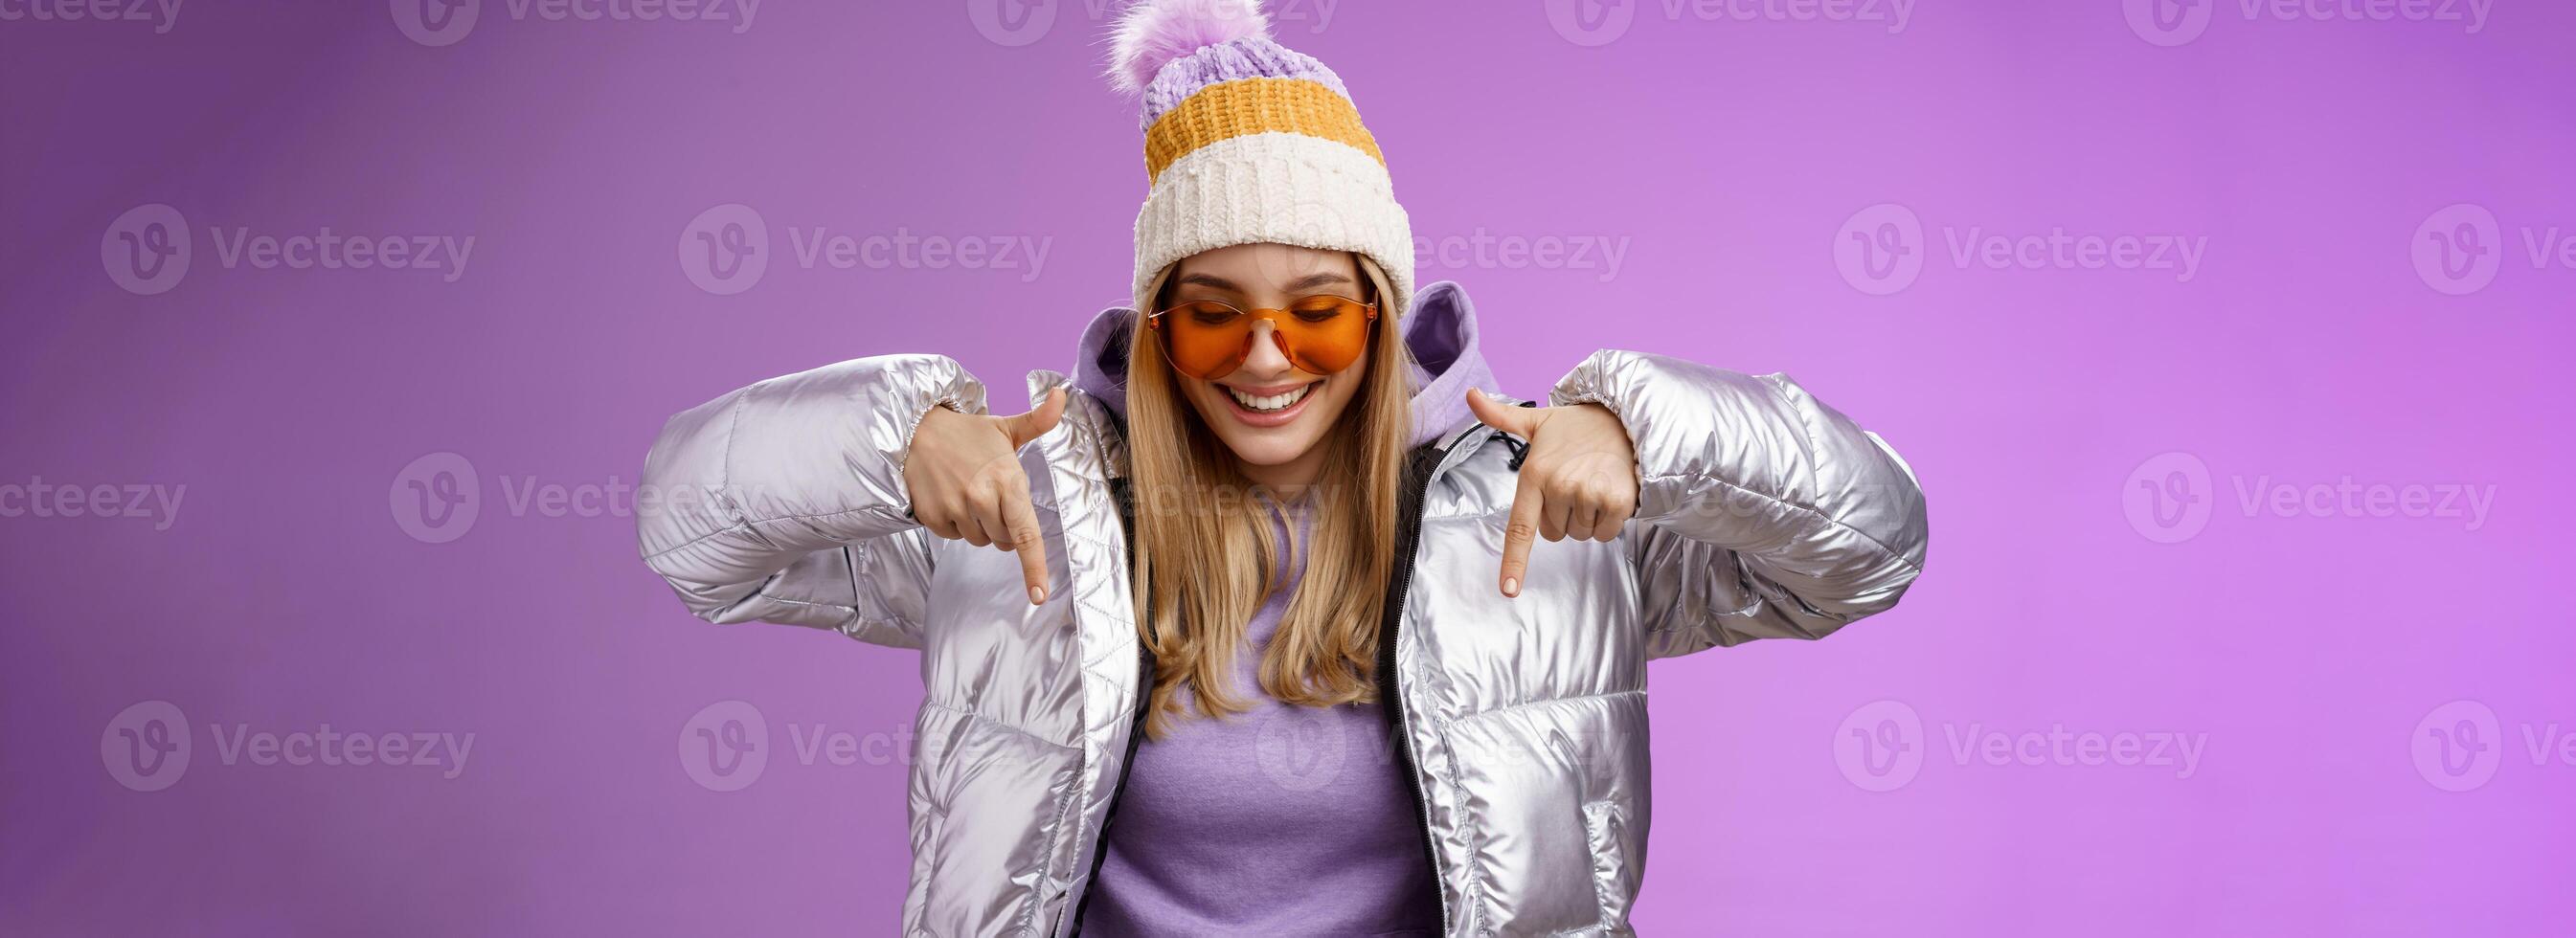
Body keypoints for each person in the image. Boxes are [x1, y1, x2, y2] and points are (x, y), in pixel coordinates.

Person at [636, 1, 1929, 933]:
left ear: (1380, 316)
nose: (1266, 355)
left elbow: (1868, 548)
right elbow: (689, 526)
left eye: (1315, 308)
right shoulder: (1030, 520)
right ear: (1156, 330)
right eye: (1213, 310)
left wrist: (1645, 430)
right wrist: (889, 431)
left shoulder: (1537, 511)